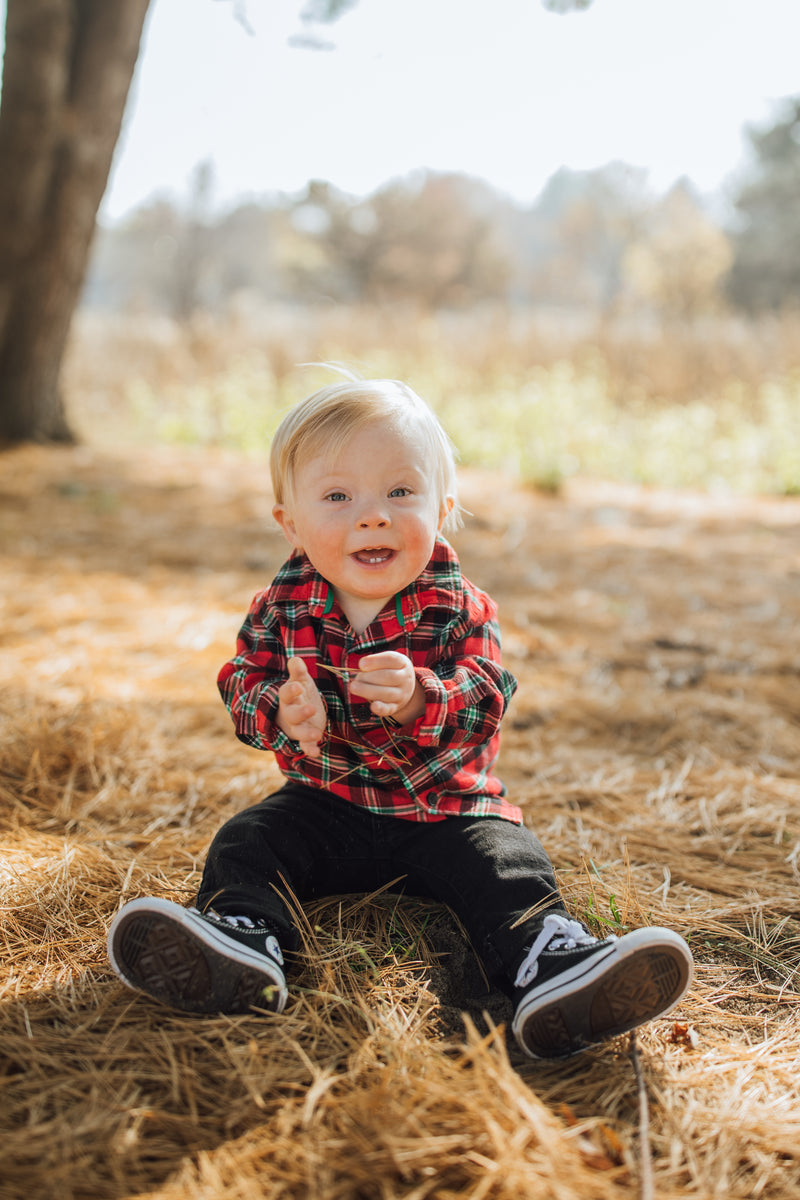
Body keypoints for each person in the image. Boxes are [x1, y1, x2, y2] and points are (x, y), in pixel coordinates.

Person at [107, 373, 693, 1059]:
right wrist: (280, 710)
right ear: (289, 523)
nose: (373, 515)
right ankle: (245, 938)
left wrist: (423, 697)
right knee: (249, 842)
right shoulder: (279, 608)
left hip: (447, 811)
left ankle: (547, 963)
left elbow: (487, 693)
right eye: (337, 496)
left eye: (400, 492)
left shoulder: (459, 606)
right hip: (325, 802)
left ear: (442, 507)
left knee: (509, 865)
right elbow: (242, 681)